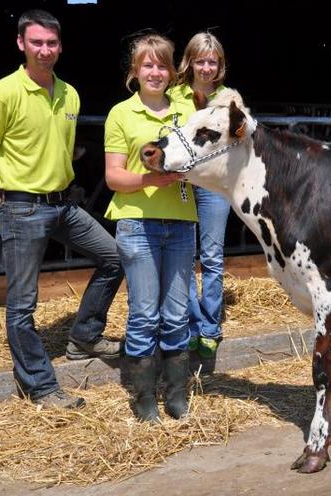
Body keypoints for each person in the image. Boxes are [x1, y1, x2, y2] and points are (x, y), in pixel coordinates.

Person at [0, 9, 124, 409]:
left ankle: (84, 336)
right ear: (21, 44)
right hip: (21, 206)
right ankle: (40, 387)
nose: (44, 50)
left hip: (63, 204)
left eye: (51, 43)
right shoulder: (2, 93)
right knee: (22, 305)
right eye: (36, 42)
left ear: (60, 46)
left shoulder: (69, 93)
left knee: (115, 257)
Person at [104, 33, 197, 422]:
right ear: (135, 71)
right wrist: (149, 180)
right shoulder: (121, 114)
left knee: (176, 313)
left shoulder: (188, 113)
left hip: (179, 222)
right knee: (144, 313)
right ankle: (144, 397)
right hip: (137, 223)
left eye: (162, 65)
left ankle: (175, 392)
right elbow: (112, 176)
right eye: (148, 65)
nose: (155, 72)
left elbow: (203, 160)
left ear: (172, 71)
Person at [170, 30, 231, 360]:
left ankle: (209, 327)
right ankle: (191, 324)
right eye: (200, 61)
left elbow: (238, 142)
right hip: (180, 185)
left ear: (219, 65)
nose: (206, 68)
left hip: (213, 186)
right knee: (182, 255)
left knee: (211, 256)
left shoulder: (228, 99)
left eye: (212, 61)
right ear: (189, 62)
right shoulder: (173, 95)